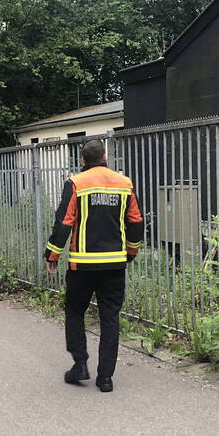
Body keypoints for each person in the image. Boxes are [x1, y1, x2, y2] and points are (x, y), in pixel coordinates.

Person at [43, 139, 144, 392]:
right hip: (114, 264)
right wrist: (131, 252)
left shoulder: (76, 183)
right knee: (110, 317)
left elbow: (63, 222)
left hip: (82, 266)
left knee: (74, 312)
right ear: (105, 157)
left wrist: (52, 255)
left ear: (82, 160)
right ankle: (106, 378)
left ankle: (80, 365)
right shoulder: (125, 183)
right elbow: (136, 221)